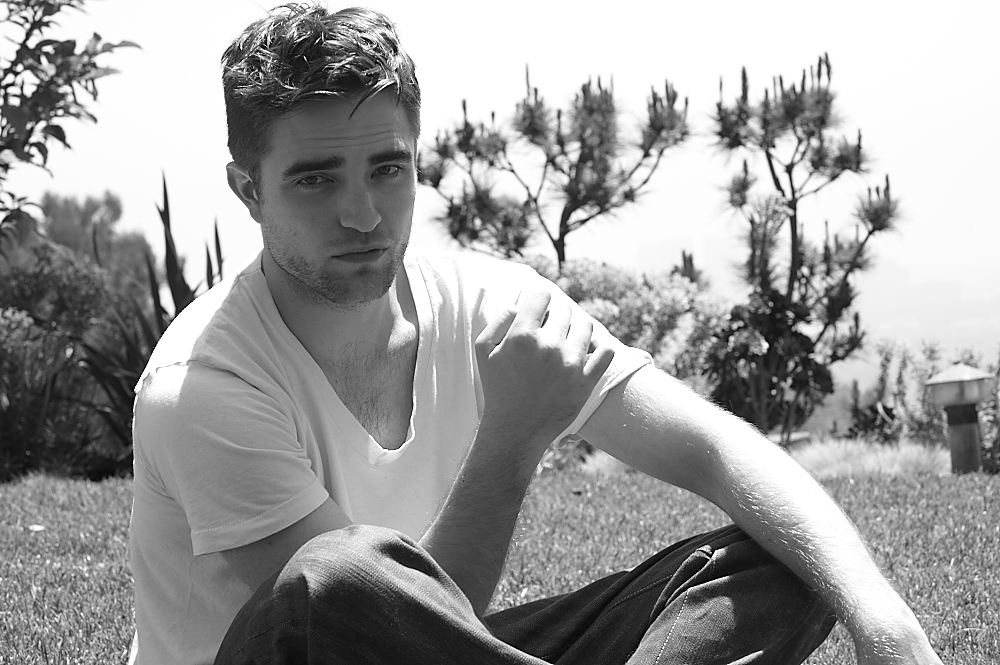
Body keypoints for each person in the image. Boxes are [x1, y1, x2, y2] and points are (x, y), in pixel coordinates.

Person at [127, 4, 944, 664]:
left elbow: (713, 447)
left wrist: (884, 621)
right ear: (247, 189)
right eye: (315, 180)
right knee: (335, 576)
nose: (363, 214)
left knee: (786, 558)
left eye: (387, 168)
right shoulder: (201, 386)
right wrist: (511, 439)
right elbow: (364, 631)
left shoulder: (490, 303)